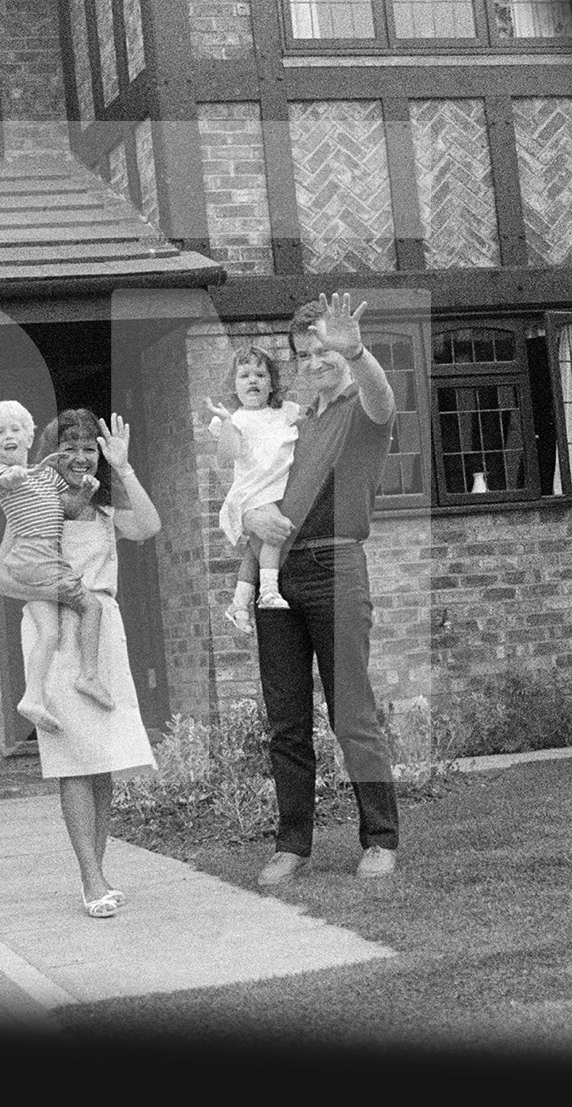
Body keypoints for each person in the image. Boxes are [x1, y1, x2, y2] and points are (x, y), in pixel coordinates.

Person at [241, 292, 401, 887]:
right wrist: (249, 523)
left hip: (337, 571)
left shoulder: (362, 410)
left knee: (352, 715)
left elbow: (383, 397)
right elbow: (253, 492)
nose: (318, 361)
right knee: (286, 721)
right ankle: (292, 846)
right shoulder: (292, 426)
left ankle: (380, 839)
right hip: (277, 577)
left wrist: (359, 352)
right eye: (307, 353)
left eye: (327, 350)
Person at [0, 409, 159, 919]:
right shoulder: (33, 511)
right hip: (56, 633)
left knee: (101, 761)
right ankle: (90, 881)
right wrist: (56, 591)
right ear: (53, 456)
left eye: (90, 448)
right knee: (74, 761)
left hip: (104, 631)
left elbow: (149, 525)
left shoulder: (104, 514)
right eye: (72, 447)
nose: (82, 457)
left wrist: (124, 468)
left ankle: (98, 872)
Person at [0, 400, 112, 735]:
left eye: (15, 429)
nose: (8, 436)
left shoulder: (48, 476)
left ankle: (32, 698)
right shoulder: (2, 474)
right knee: (90, 606)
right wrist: (14, 474)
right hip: (37, 562)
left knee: (49, 633)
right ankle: (89, 675)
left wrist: (85, 490)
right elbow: (5, 482)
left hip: (35, 566)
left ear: (29, 437)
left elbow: (67, 509)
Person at [203, 345, 304, 632]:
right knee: (274, 528)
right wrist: (226, 424)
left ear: (272, 383)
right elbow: (227, 454)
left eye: (260, 374)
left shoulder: (287, 412)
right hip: (252, 491)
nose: (253, 380)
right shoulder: (234, 419)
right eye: (244, 375)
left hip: (275, 488)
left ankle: (238, 604)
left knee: (254, 548)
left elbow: (316, 422)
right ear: (234, 386)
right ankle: (269, 590)